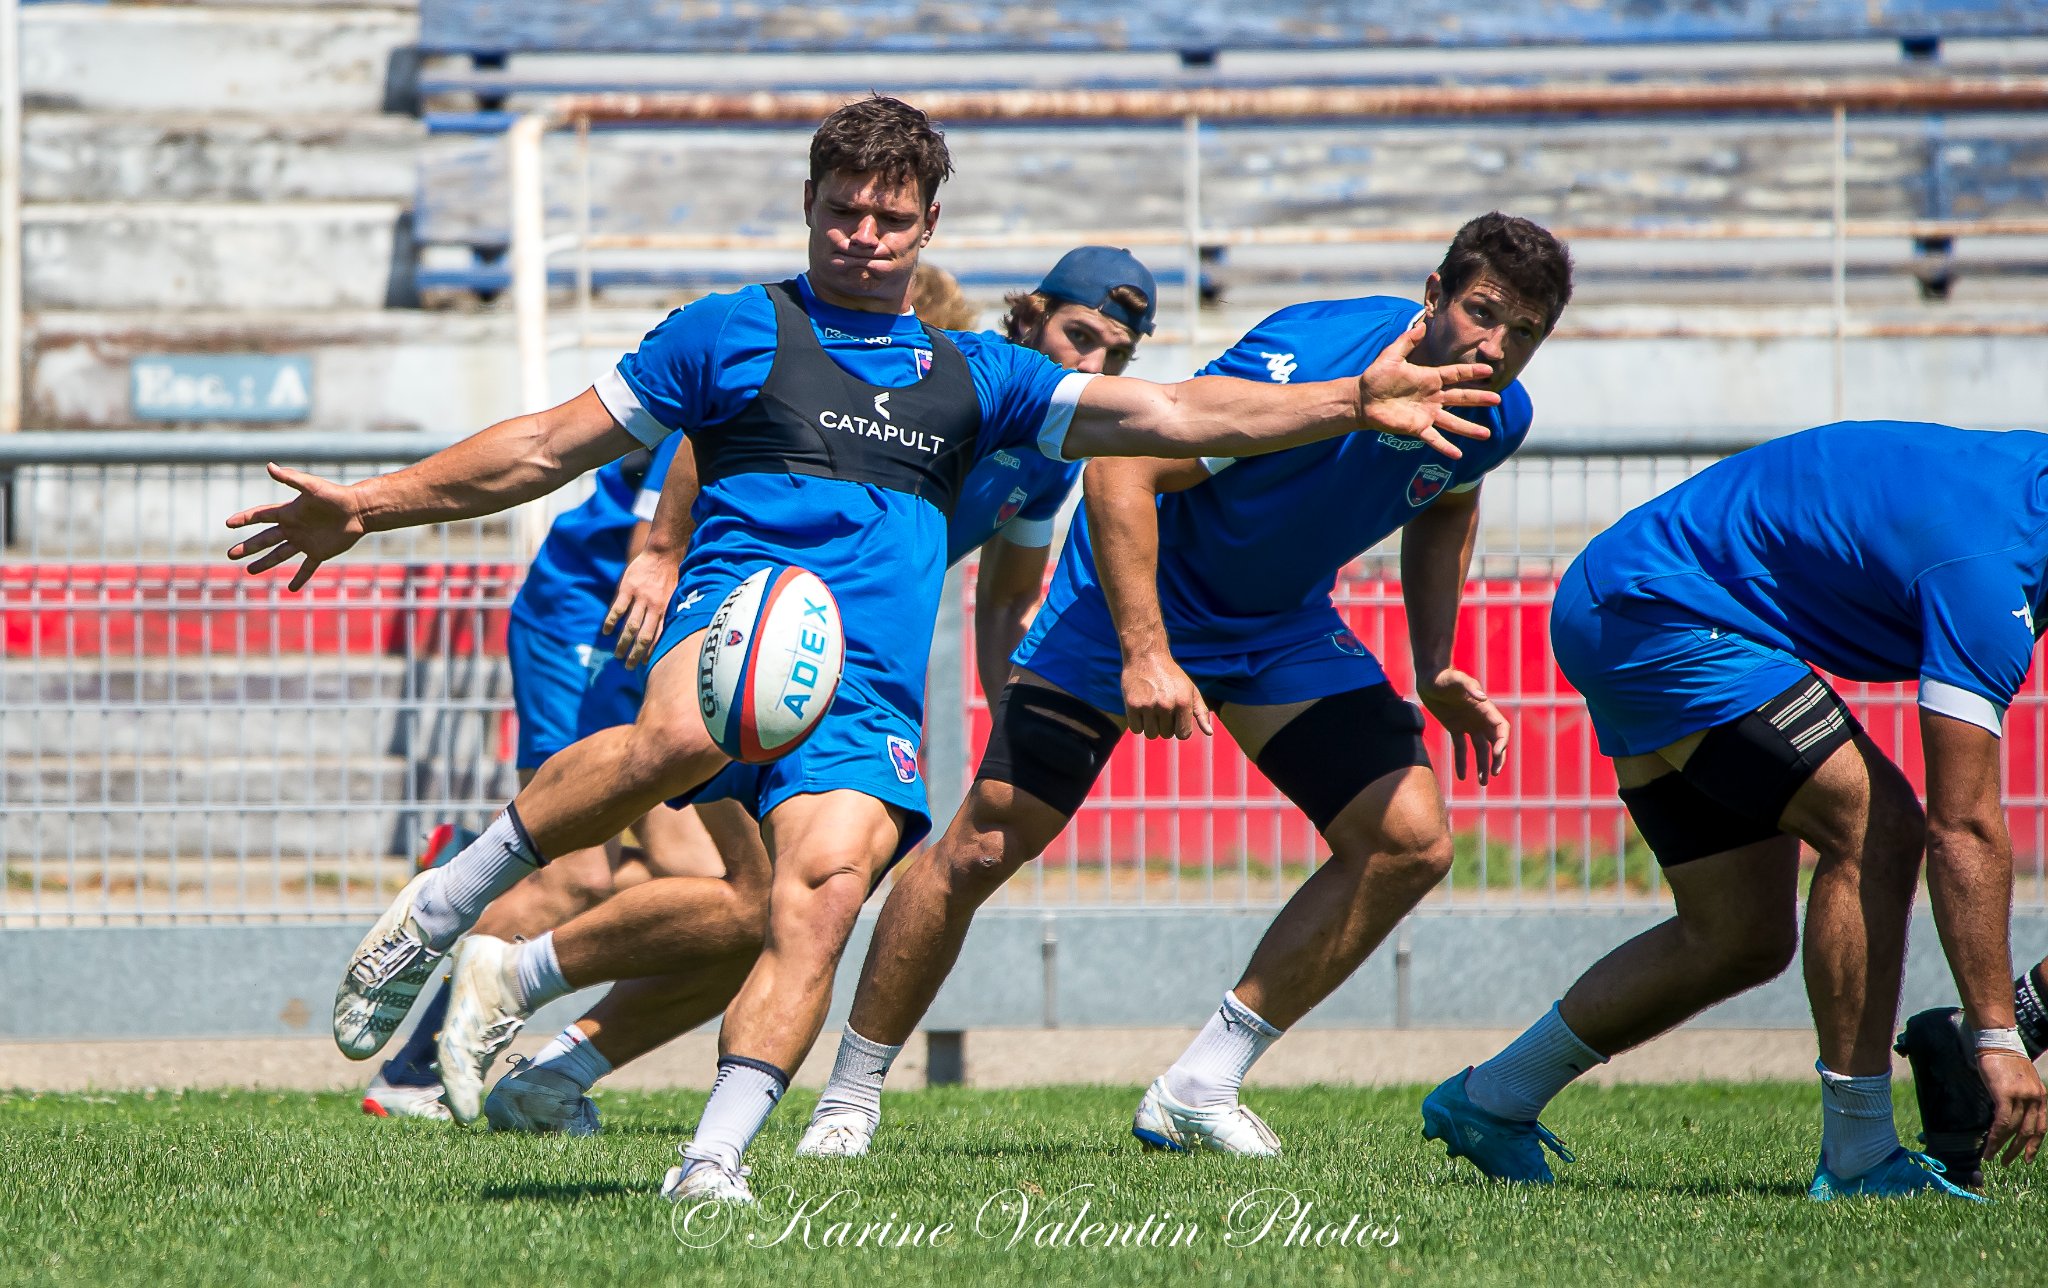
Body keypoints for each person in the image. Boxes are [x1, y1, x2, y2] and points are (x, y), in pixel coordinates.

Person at [226, 94, 1499, 1205]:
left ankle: (711, 1160)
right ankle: (444, 910)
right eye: (842, 210)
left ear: (927, 226)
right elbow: (544, 447)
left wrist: (1347, 399)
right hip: (737, 623)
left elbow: (1167, 412)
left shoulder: (979, 374)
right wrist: (371, 502)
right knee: (679, 733)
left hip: (866, 687)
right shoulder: (726, 330)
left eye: (890, 218)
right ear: (810, 204)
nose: (863, 235)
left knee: (818, 897)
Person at [797, 212, 1570, 1161]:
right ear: (1434, 297)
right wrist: (1145, 651)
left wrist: (1436, 661)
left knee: (1407, 841)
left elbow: (1449, 501)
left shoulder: (1500, 414)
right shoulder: (1317, 350)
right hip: (1129, 590)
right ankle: (850, 1097)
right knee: (986, 843)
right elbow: (1125, 472)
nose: (1497, 347)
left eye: (1525, 333)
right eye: (1483, 314)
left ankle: (1200, 1084)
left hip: (1273, 622)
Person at [472, 247, 1159, 1135]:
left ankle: (550, 1072)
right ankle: (464, 1022)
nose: (1093, 366)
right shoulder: (947, 378)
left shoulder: (1050, 451)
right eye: (1079, 336)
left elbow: (1004, 601)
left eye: (1116, 354)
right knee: (647, 872)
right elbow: (717, 424)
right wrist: (660, 549)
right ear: (1029, 314)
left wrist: (1010, 731)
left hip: (811, 666)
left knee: (763, 905)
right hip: (696, 619)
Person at [1423, 421, 2048, 1201]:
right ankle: (1858, 1154)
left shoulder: (2022, 500)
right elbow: (1964, 825)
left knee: (1738, 936)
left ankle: (1492, 1101)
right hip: (1661, 612)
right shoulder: (1991, 568)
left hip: (1622, 598)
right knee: (1878, 828)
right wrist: (1995, 1035)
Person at [361, 431, 760, 1119]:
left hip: (657, 640)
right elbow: (650, 550)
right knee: (575, 874)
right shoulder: (746, 371)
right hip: (595, 622)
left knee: (710, 893)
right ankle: (412, 1075)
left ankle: (472, 865)